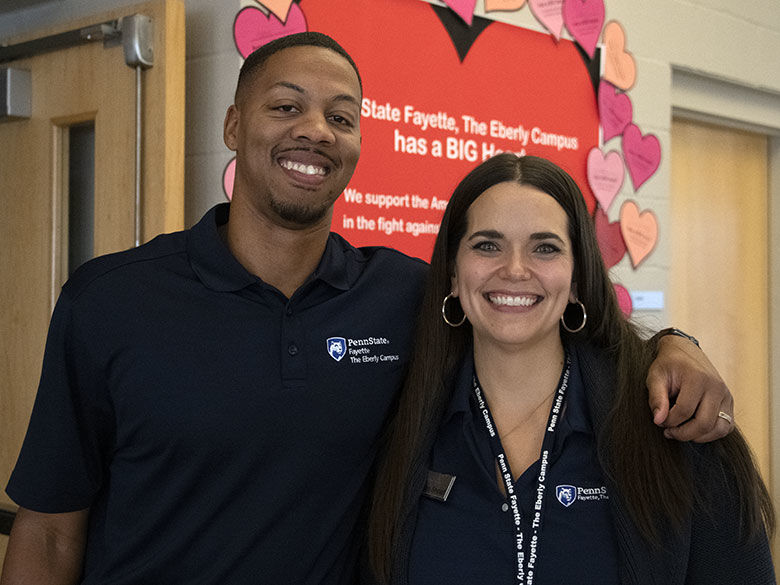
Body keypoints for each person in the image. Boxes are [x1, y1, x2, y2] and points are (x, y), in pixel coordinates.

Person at [2, 33, 734, 585]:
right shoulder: (112, 300)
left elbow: (531, 315)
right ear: (233, 126)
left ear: (355, 145)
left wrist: (676, 342)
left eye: (340, 117)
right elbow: (49, 535)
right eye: (285, 106)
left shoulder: (404, 299)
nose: (315, 130)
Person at [367, 153, 775, 585]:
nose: (515, 269)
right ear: (452, 272)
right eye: (487, 245)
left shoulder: (677, 423)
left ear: (578, 278)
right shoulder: (397, 422)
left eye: (545, 248)